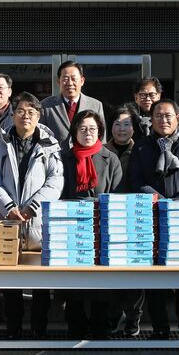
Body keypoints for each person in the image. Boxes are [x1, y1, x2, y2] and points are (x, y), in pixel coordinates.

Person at [0, 92, 64, 339]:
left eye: (31, 112)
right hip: (8, 220)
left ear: (39, 116)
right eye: (20, 111)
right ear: (13, 114)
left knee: (41, 281)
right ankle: (13, 329)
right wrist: (8, 207)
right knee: (10, 280)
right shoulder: (0, 145)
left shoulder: (50, 145)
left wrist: (34, 206)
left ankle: (39, 328)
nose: (25, 116)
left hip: (38, 221)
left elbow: (55, 181)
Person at [127, 99, 179, 339]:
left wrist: (178, 203)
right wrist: (159, 201)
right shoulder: (141, 147)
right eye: (158, 116)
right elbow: (135, 179)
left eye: (168, 115)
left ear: (177, 117)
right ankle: (160, 328)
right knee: (155, 275)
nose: (163, 120)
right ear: (151, 120)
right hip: (152, 217)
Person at [60, 110, 123, 338]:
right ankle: (75, 325)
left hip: (102, 225)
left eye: (93, 129)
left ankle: (100, 326)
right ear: (74, 131)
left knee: (101, 281)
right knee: (73, 280)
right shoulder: (64, 158)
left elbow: (118, 193)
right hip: (71, 226)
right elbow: (59, 192)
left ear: (100, 132)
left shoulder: (110, 158)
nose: (88, 133)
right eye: (83, 128)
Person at [104, 105, 145, 336]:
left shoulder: (141, 150)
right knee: (110, 271)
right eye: (117, 124)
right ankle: (113, 316)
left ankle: (133, 317)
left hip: (134, 218)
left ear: (134, 128)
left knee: (135, 271)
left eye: (127, 124)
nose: (122, 129)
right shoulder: (102, 151)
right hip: (108, 218)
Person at [40, 60, 105, 149]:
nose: (70, 83)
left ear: (82, 81)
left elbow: (102, 138)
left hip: (87, 155)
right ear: (58, 81)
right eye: (65, 79)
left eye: (74, 79)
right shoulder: (46, 105)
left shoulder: (96, 105)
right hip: (58, 156)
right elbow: (41, 137)